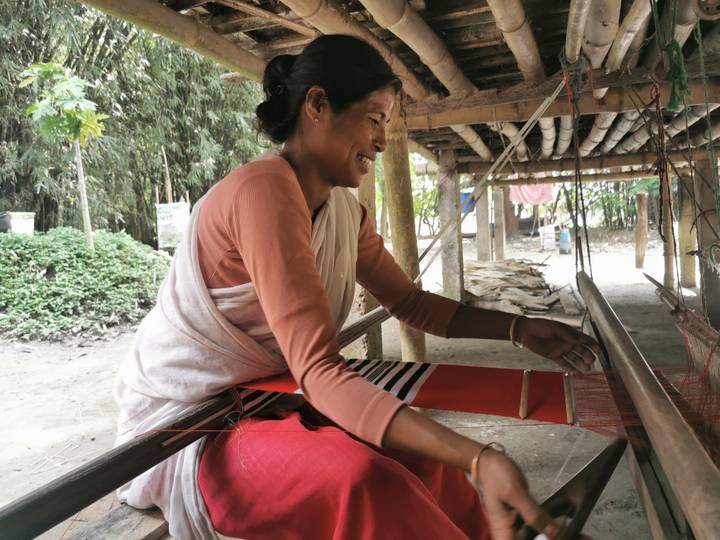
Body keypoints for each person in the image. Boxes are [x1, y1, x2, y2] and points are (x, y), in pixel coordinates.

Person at [113, 34, 600, 540]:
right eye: (373, 119)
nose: (382, 141)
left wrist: (519, 328)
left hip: (269, 400)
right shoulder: (262, 192)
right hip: (192, 427)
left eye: (385, 124)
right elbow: (320, 370)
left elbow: (409, 302)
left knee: (430, 463)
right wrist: (478, 455)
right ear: (318, 105)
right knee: (365, 482)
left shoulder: (345, 211)